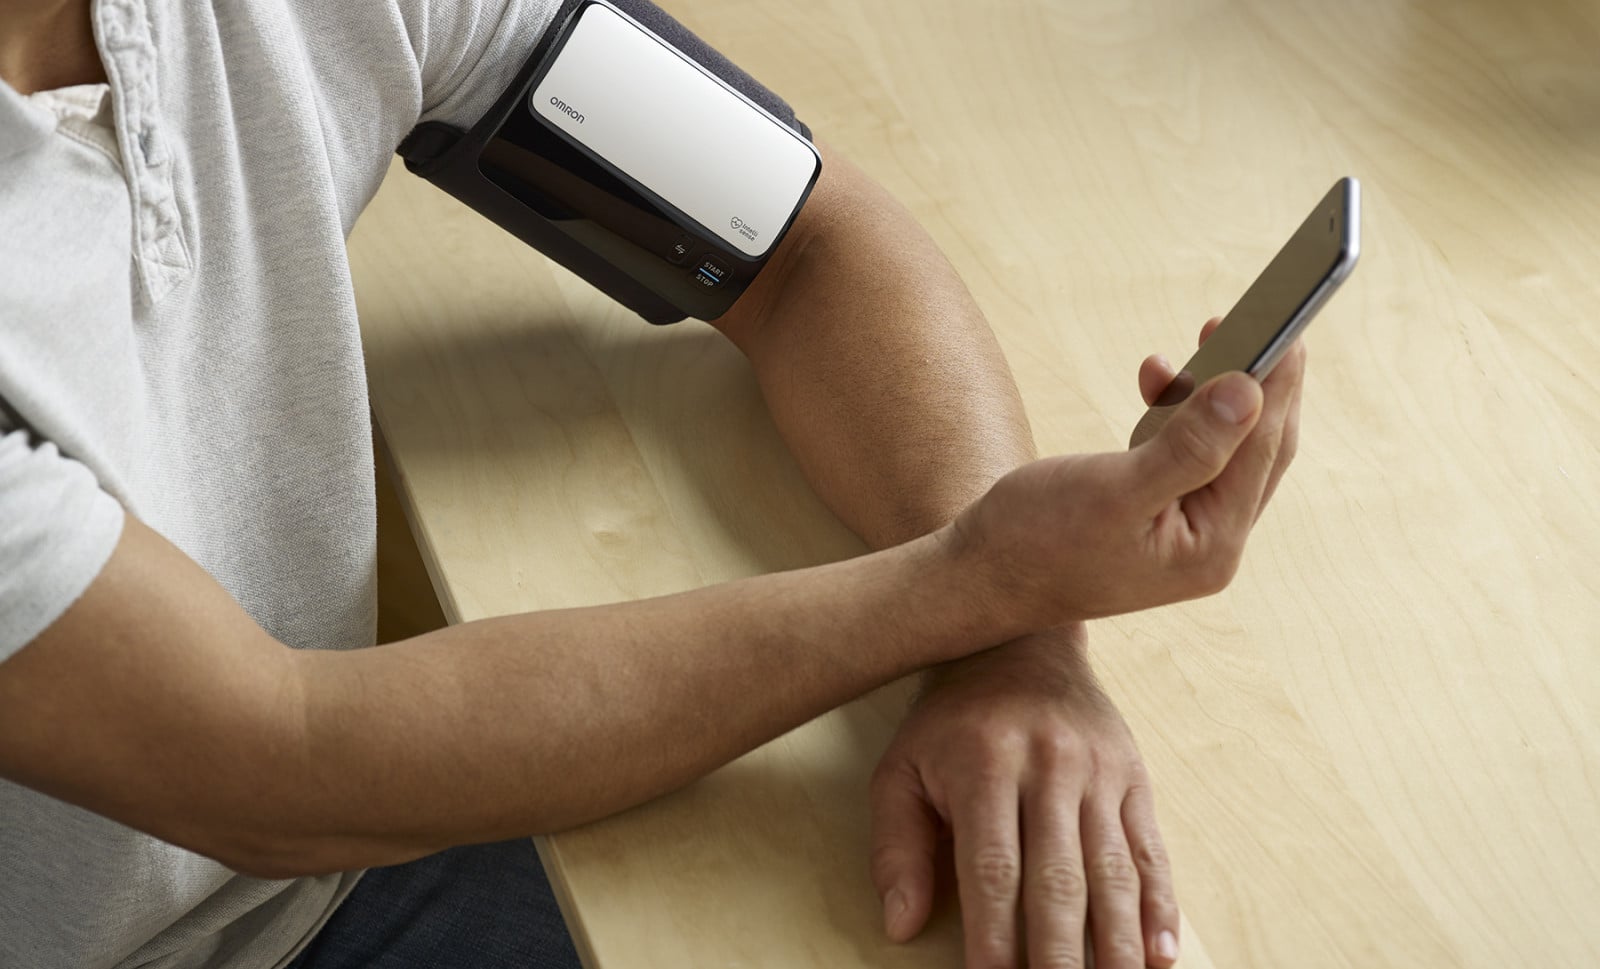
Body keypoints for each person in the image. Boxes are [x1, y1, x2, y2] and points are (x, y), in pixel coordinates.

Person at [0, 1, 1305, 968]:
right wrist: (971, 582)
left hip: (342, 860)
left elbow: (803, 243)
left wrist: (1017, 647)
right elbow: (281, 755)